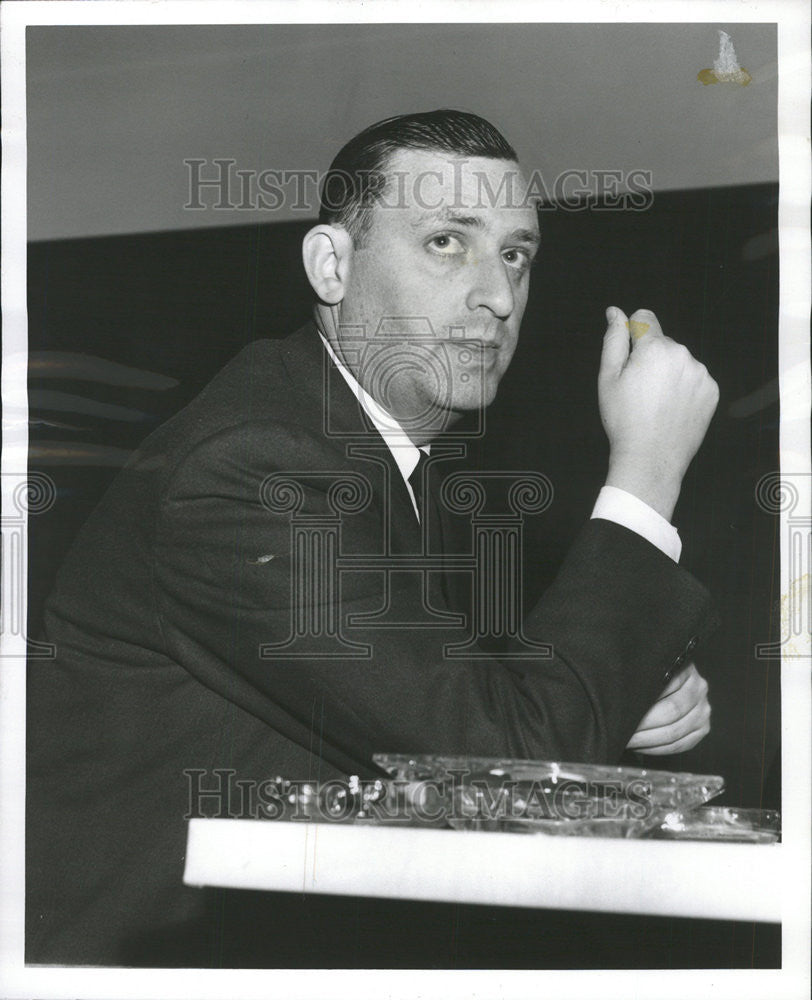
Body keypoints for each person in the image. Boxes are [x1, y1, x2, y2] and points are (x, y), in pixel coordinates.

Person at [26, 110, 718, 966]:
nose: (499, 296)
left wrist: (605, 690)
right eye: (445, 243)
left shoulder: (374, 457)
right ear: (332, 265)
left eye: (515, 254)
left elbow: (462, 723)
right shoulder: (254, 469)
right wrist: (649, 473)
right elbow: (505, 766)